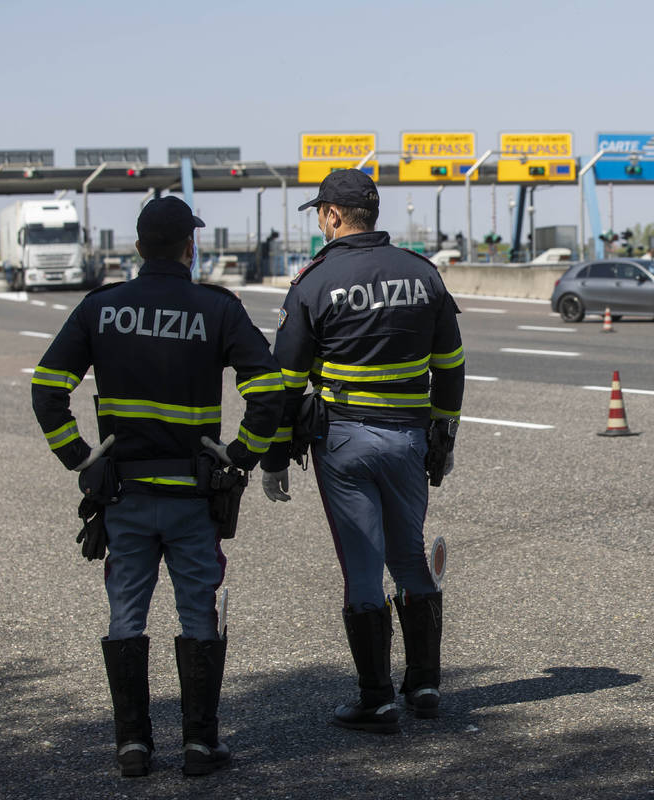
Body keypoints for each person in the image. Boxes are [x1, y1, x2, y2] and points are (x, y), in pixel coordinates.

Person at [30, 197, 283, 778]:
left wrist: (80, 457)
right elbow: (269, 389)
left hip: (124, 497)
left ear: (139, 248)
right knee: (199, 613)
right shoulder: (217, 309)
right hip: (194, 496)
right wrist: (240, 456)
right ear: (189, 247)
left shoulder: (102, 307)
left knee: (126, 616)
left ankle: (133, 746)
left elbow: (47, 389)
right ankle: (200, 744)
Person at [260, 169, 464, 734]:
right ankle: (423, 685)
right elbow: (450, 366)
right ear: (373, 214)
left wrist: (275, 459)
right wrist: (442, 439)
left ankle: (375, 699)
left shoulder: (314, 282)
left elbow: (285, 384)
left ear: (331, 215)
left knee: (362, 569)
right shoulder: (423, 275)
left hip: (344, 441)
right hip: (408, 437)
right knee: (410, 557)